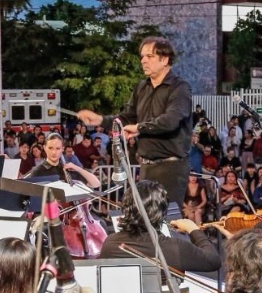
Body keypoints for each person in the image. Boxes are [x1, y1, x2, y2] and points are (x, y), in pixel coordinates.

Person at [76, 36, 193, 206]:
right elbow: (126, 117)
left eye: (150, 56)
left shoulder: (180, 88)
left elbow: (170, 121)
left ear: (165, 59)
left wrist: (139, 128)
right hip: (145, 166)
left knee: (167, 218)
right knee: (143, 217)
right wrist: (100, 120)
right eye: (142, 56)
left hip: (170, 168)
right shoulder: (141, 87)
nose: (143, 61)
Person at [25, 132, 101, 188]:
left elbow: (96, 184)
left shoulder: (68, 169)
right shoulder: (37, 171)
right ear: (45, 148)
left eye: (58, 148)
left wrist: (77, 168)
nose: (54, 152)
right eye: (50, 148)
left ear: (62, 149)